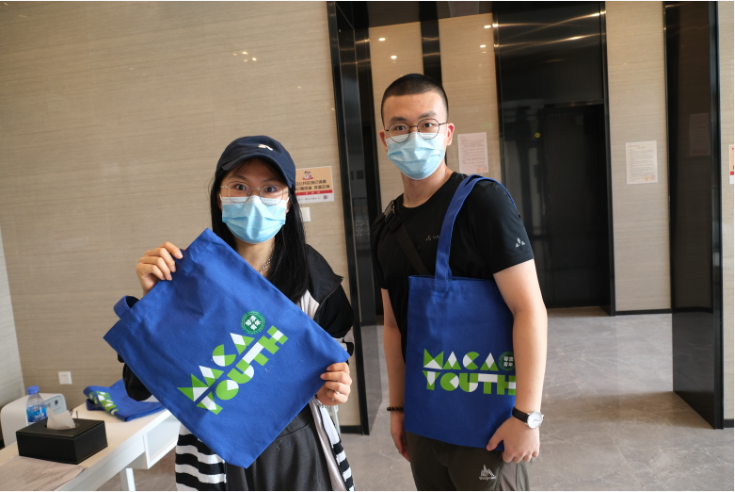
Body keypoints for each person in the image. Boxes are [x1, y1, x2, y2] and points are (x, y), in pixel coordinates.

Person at [120, 136, 355, 491]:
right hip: (216, 452)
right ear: (220, 196)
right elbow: (140, 389)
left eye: (270, 188)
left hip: (298, 445)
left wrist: (333, 387)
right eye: (240, 187)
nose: (254, 199)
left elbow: (338, 353)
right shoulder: (188, 274)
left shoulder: (311, 274)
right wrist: (155, 304)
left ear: (288, 201)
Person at [371, 74, 548, 490]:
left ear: (447, 132)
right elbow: (394, 326)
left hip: (488, 420)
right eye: (400, 127)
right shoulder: (385, 227)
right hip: (425, 415)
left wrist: (527, 416)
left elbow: (529, 309)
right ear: (385, 138)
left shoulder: (483, 203)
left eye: (427, 124)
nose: (414, 136)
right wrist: (398, 408)